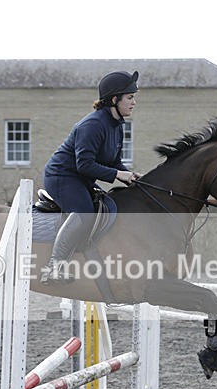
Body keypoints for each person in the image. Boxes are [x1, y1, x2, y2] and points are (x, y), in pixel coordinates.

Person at [40, 70, 142, 284]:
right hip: (62, 176)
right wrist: (118, 174)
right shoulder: (93, 125)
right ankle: (54, 268)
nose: (134, 102)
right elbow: (84, 164)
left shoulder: (118, 125)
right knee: (84, 213)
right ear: (114, 99)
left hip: (82, 178)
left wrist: (130, 176)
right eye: (130, 97)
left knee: (109, 205)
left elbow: (113, 162)